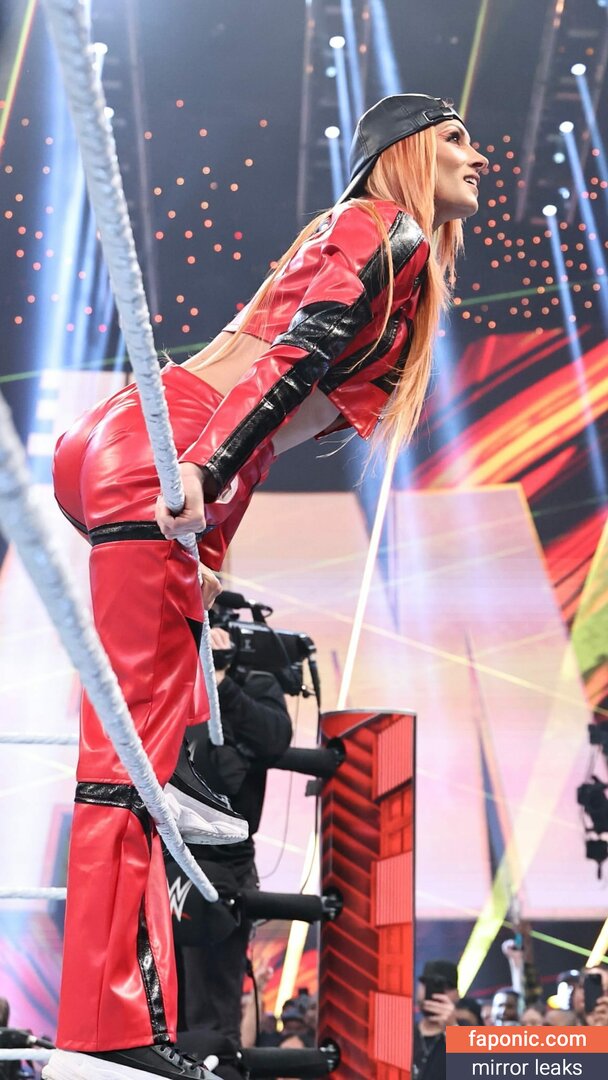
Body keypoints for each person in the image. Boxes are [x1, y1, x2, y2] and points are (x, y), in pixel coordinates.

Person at [43, 93, 487, 1080]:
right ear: (406, 150)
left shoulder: (388, 255)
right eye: (455, 137)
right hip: (174, 448)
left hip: (171, 446)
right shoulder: (381, 227)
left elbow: (277, 402)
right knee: (125, 764)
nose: (478, 156)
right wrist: (205, 468)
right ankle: (102, 1033)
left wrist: (213, 516)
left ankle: (179, 803)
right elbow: (298, 354)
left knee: (154, 753)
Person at [167, 625, 292, 1055]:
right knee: (156, 1000)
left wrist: (221, 682)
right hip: (164, 852)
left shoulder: (253, 681)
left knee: (212, 1009)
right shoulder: (170, 678)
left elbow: (275, 738)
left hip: (223, 859)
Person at [413, 959, 459, 1080]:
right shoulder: (402, 1033)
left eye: (445, 987)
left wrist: (453, 1030)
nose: (435, 994)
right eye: (428, 985)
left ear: (457, 995)